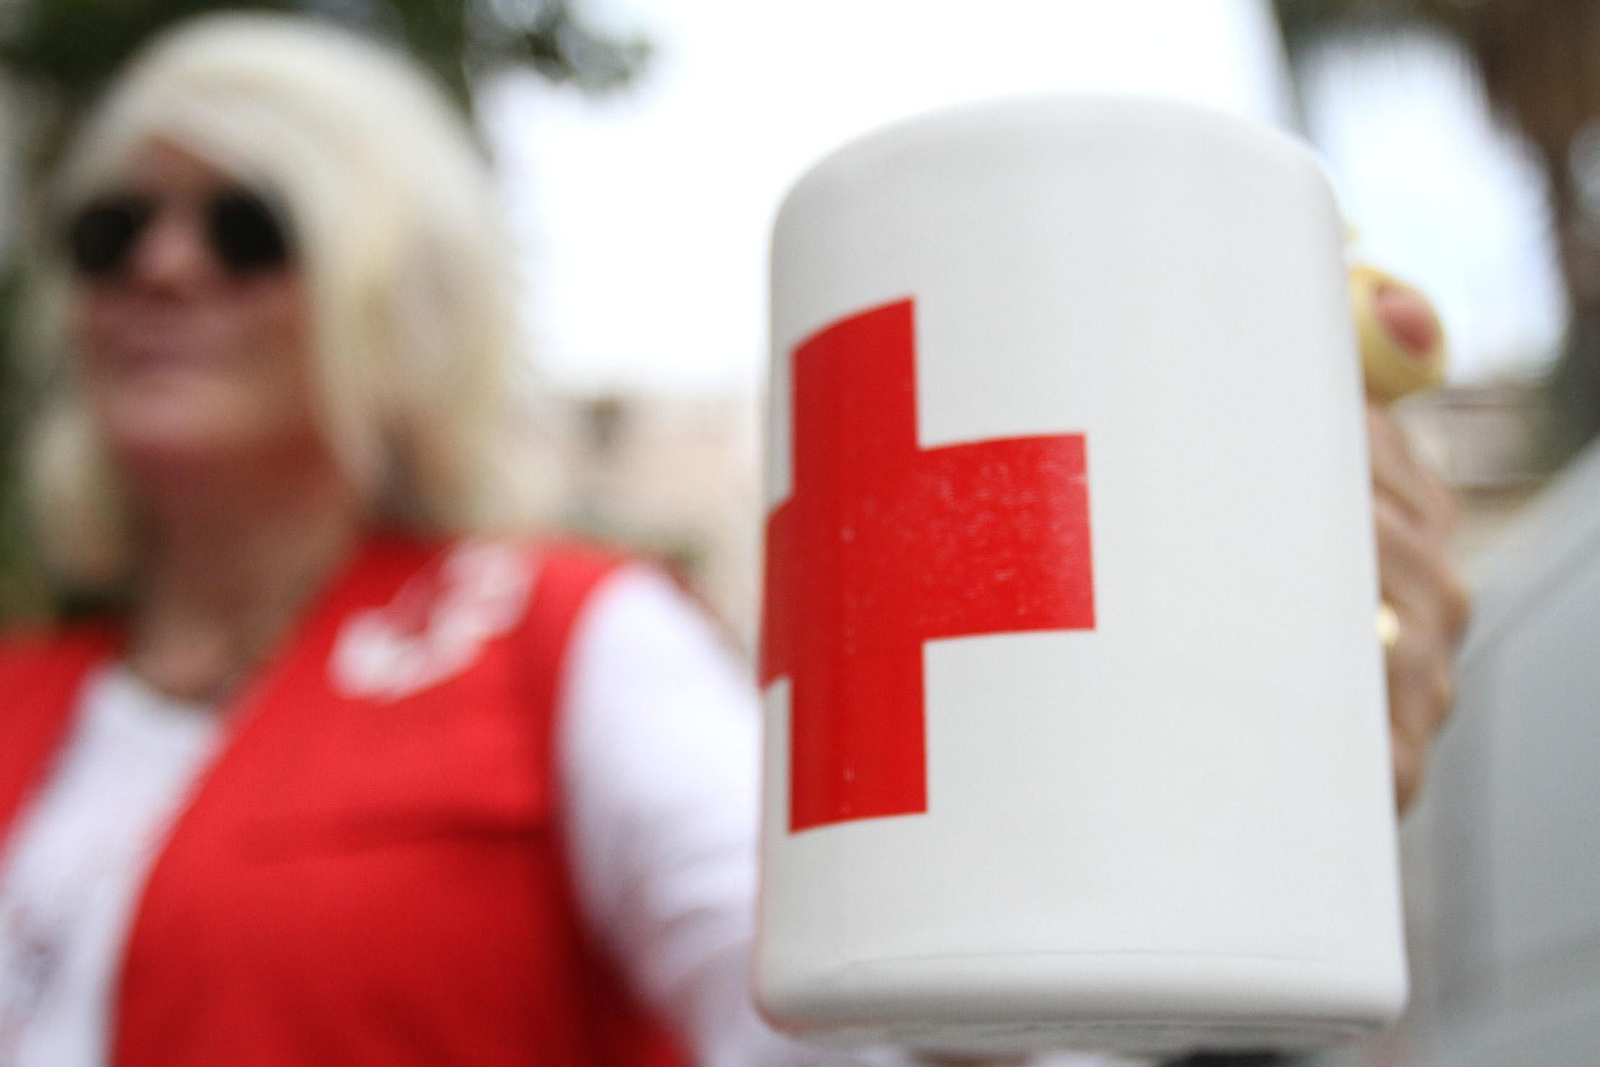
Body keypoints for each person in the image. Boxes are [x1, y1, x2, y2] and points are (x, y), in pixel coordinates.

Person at [0, 13, 1469, 1067]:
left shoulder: (553, 640)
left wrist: (1179, 811)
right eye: (109, 232)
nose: (164, 268)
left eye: (248, 225)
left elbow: (836, 1019)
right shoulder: (23, 695)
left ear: (397, 292)